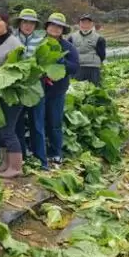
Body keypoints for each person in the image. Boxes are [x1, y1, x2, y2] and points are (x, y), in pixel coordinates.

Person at [0, 9, 24, 178]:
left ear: (6, 22)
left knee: (9, 129)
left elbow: (18, 70)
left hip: (12, 92)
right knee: (2, 128)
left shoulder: (14, 44)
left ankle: (16, 167)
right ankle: (6, 163)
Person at [42, 13, 79, 169]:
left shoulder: (68, 48)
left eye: (59, 26)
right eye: (52, 25)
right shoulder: (39, 44)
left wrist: (62, 61)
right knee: (37, 123)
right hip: (38, 90)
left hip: (57, 91)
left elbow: (75, 68)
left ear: (63, 30)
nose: (55, 28)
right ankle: (39, 152)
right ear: (47, 27)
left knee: (54, 123)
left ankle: (56, 153)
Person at [13, 8, 47, 169]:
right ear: (20, 23)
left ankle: (42, 161)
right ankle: (22, 159)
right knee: (17, 125)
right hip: (16, 88)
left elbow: (45, 63)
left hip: (34, 88)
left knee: (37, 124)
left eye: (31, 23)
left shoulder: (41, 41)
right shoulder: (11, 39)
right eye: (25, 22)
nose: (28, 26)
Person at [68, 14, 106, 86]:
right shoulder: (72, 37)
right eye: (83, 23)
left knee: (94, 89)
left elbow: (102, 55)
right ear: (79, 24)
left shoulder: (99, 38)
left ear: (92, 24)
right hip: (78, 67)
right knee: (77, 88)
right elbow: (69, 53)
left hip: (93, 67)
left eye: (88, 23)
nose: (85, 25)